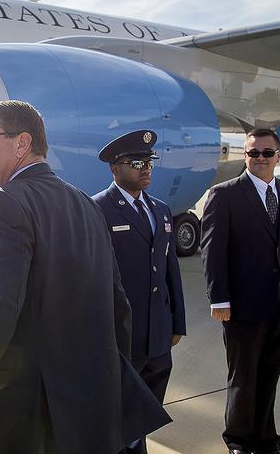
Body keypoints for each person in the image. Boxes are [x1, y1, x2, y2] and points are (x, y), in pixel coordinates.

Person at [0, 100, 171, 454]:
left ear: (22, 143)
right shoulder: (85, 203)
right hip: (87, 410)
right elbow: (118, 304)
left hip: (27, 415)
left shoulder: (4, 203)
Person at [202, 128, 280, 454]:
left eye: (267, 153)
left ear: (279, 156)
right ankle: (238, 441)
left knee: (269, 378)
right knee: (243, 380)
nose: (260, 158)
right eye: (253, 153)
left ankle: (266, 441)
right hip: (241, 307)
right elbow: (213, 253)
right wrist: (218, 300)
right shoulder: (224, 195)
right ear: (245, 156)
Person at [93, 130, 187, 454]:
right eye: (137, 162)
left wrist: (177, 323)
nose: (145, 168)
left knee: (145, 418)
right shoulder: (97, 209)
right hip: (121, 338)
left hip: (158, 338)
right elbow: (91, 279)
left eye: (149, 161)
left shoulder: (161, 210)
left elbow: (170, 268)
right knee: (117, 422)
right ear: (114, 168)